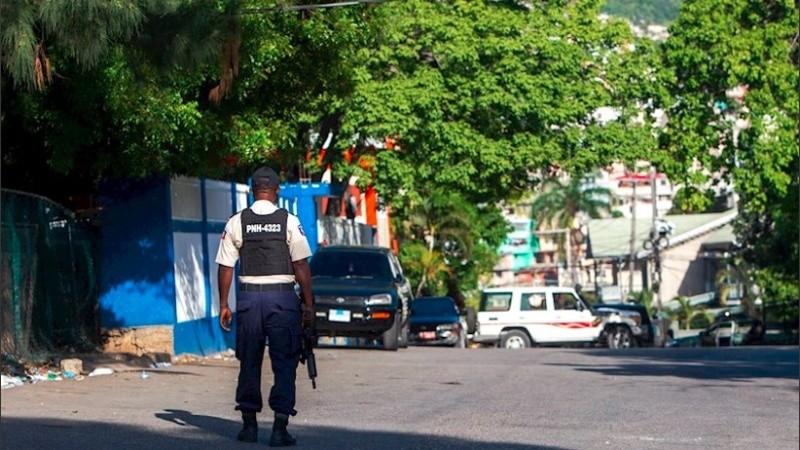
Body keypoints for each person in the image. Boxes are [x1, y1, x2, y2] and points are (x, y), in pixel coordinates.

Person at [216, 166, 315, 447]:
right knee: (285, 361)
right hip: (282, 300)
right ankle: (279, 429)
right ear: (276, 190)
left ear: (252, 191)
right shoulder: (289, 221)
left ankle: (249, 428)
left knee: (249, 360)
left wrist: (225, 304)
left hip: (249, 300)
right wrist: (308, 304)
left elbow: (225, 266)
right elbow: (300, 265)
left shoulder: (237, 222)